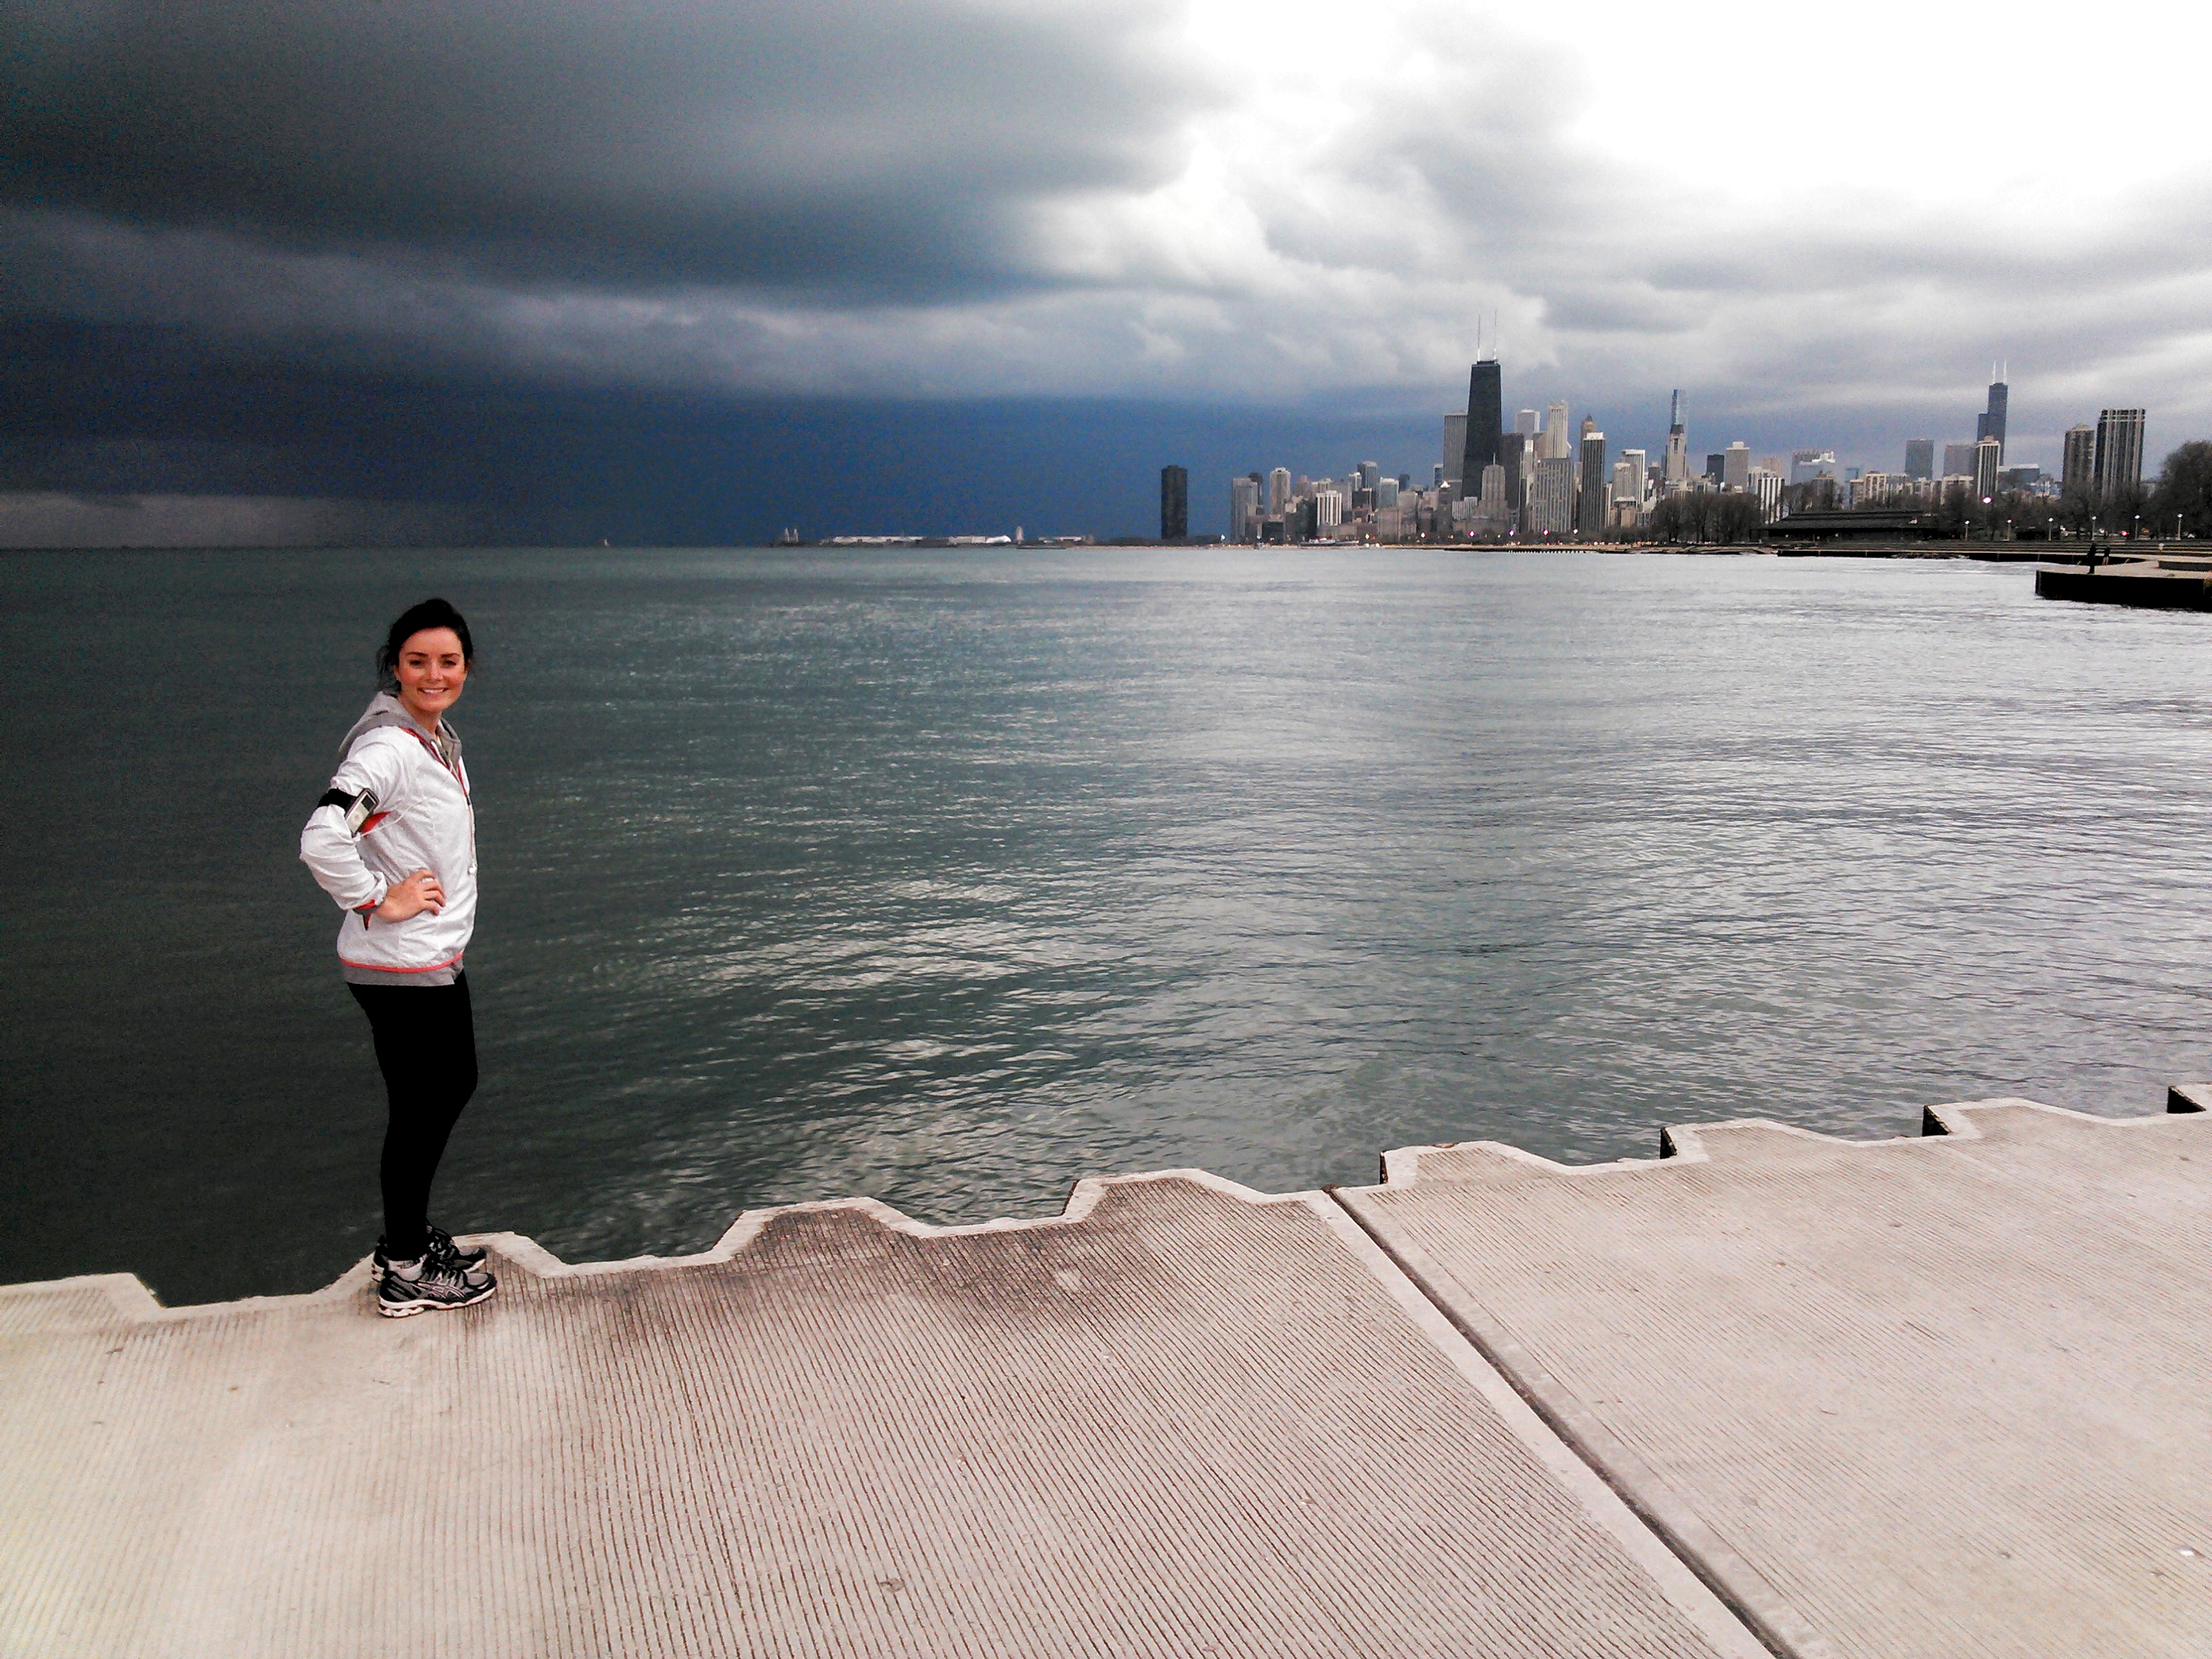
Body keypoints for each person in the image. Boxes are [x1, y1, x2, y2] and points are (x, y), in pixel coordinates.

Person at [301, 598, 498, 1317]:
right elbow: (323, 836)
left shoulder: (434, 739)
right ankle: (408, 1269)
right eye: (418, 662)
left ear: (467, 668)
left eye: (449, 661)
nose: (434, 674)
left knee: (442, 1092)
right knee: (424, 1109)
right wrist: (379, 899)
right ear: (395, 667)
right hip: (401, 968)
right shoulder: (388, 749)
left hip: (427, 960)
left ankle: (406, 1240)